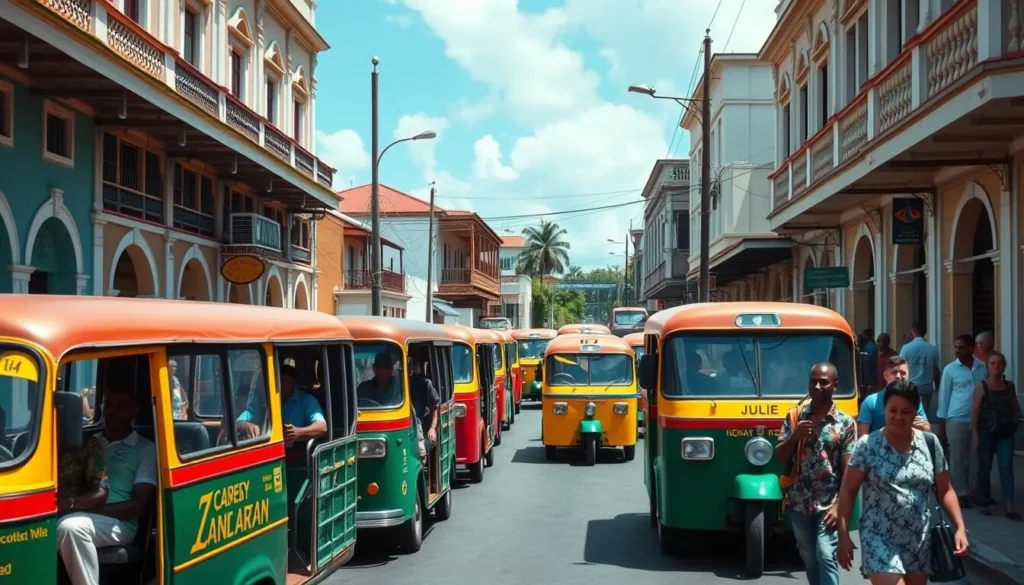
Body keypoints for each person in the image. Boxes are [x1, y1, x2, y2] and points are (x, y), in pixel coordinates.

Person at [837, 380, 969, 584]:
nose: (898, 417)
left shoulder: (930, 443)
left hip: (918, 538)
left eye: (906, 411)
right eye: (893, 410)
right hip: (878, 535)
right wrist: (843, 534)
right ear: (885, 409)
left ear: (915, 412)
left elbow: (945, 490)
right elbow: (848, 489)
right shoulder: (868, 445)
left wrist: (959, 527)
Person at [57, 386, 157, 585]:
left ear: (134, 410)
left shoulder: (145, 449)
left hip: (119, 524)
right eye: (108, 405)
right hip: (78, 509)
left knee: (71, 528)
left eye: (120, 406)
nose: (112, 411)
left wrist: (83, 506)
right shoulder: (89, 441)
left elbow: (140, 505)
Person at [776, 362, 857, 585]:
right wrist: (794, 437)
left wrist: (839, 504)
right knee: (809, 557)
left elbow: (849, 469)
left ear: (835, 386)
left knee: (825, 554)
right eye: (813, 382)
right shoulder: (794, 416)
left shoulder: (845, 423)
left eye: (824, 382)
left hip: (829, 502)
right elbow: (779, 457)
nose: (818, 386)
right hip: (799, 501)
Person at [936, 334, 987, 508]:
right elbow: (944, 398)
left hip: (978, 420)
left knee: (976, 458)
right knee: (957, 458)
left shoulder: (982, 367)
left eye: (961, 347)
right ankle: (961, 493)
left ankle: (974, 491)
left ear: (972, 348)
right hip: (956, 418)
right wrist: (942, 426)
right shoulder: (950, 370)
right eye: (956, 347)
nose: (957, 351)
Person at [971, 350, 1021, 519]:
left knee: (1006, 466)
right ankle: (984, 502)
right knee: (985, 467)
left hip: (1005, 433)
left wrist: (1015, 418)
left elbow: (1015, 405)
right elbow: (975, 411)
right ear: (987, 367)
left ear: (1004, 366)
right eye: (992, 363)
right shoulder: (982, 386)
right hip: (986, 432)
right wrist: (975, 434)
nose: (996, 367)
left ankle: (1010, 505)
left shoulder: (1009, 385)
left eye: (999, 363)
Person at [237, 364, 326, 446]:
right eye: (275, 380)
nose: (278, 384)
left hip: (296, 453)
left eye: (282, 380)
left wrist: (298, 432)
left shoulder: (306, 400)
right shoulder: (262, 398)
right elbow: (241, 419)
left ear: (293, 382)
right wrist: (244, 425)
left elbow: (322, 427)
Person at [857, 356, 930, 436]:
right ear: (885, 375)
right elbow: (863, 436)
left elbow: (927, 429)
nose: (898, 376)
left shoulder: (914, 400)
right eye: (894, 372)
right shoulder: (870, 402)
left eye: (903, 373)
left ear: (908, 376)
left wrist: (925, 428)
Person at [899, 323, 941, 418]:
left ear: (912, 332)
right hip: (927, 385)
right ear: (925, 332)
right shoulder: (932, 348)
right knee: (924, 412)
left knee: (909, 410)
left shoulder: (906, 348)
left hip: (910, 385)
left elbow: (900, 367)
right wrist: (937, 386)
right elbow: (936, 370)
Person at [409, 349, 440, 461]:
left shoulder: (424, 384)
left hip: (420, 426)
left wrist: (432, 428)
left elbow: (434, 407)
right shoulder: (393, 385)